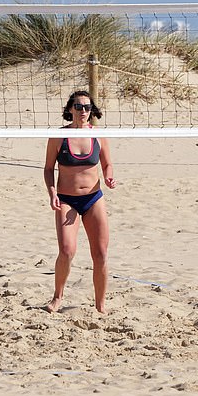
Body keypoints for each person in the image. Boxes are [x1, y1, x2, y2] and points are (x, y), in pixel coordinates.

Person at [43, 90, 117, 314]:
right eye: (78, 107)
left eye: (87, 107)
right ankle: (58, 297)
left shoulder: (98, 135)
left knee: (101, 254)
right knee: (66, 251)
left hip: (93, 198)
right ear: (70, 109)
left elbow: (107, 164)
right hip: (67, 199)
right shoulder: (58, 136)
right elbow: (48, 169)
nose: (83, 111)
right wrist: (52, 193)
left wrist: (108, 176)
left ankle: (100, 304)